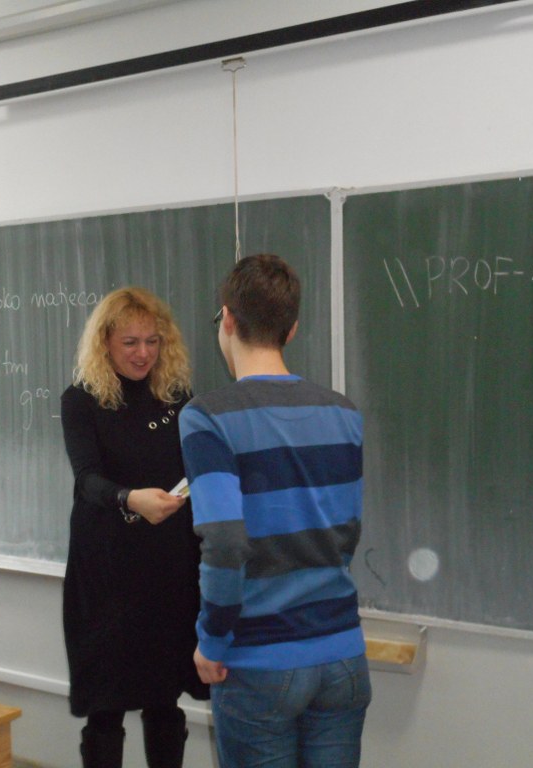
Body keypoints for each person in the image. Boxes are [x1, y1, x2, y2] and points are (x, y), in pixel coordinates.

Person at [179, 254, 371, 768]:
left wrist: (211, 640)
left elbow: (225, 543)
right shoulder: (343, 412)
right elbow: (346, 531)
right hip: (341, 654)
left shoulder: (208, 417)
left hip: (259, 661)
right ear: (292, 328)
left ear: (227, 320)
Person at [60, 287, 208, 768]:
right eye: (130, 342)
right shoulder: (81, 400)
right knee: (106, 705)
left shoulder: (178, 398)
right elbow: (87, 480)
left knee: (164, 699)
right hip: (106, 571)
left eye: (152, 341)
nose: (143, 353)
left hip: (168, 567)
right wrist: (130, 499)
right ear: (104, 342)